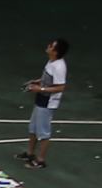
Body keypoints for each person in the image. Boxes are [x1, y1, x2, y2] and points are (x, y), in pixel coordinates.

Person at [24, 37, 71, 169]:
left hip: (48, 102)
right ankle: (30, 154)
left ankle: (40, 160)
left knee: (43, 132)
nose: (48, 46)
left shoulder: (59, 67)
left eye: (51, 46)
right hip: (41, 98)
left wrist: (41, 89)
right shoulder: (51, 61)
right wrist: (36, 81)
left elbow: (60, 86)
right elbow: (47, 78)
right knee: (33, 127)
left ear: (55, 51)